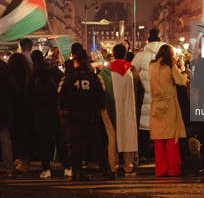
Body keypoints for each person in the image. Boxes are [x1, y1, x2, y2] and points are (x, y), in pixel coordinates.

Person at [58, 49, 114, 181]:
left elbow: (60, 96)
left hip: (73, 116)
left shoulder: (69, 78)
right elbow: (102, 95)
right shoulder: (94, 78)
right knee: (97, 144)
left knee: (74, 144)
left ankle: (76, 172)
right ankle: (106, 171)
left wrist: (64, 109)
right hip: (90, 115)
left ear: (76, 63)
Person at [26, 50, 71, 179]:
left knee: (44, 143)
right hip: (55, 109)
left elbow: (28, 94)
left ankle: (46, 170)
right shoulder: (53, 70)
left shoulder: (32, 74)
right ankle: (67, 168)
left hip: (39, 111)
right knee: (60, 140)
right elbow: (64, 82)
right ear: (43, 58)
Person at [149, 44, 187, 177]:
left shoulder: (151, 65)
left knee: (158, 139)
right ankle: (173, 169)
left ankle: (160, 170)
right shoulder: (171, 66)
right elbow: (180, 81)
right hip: (169, 103)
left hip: (155, 104)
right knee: (172, 138)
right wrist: (185, 74)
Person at [99, 44, 138, 176]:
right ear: (125, 55)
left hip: (109, 108)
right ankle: (128, 166)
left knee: (112, 136)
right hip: (127, 107)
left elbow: (101, 90)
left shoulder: (105, 72)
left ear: (113, 55)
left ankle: (113, 166)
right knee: (128, 132)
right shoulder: (132, 70)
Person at [131, 29, 165, 161]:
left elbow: (132, 73)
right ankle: (160, 155)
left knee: (144, 125)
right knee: (162, 127)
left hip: (145, 95)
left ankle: (143, 153)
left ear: (148, 40)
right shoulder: (167, 55)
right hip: (162, 96)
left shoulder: (140, 56)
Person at [7, 53, 32, 173]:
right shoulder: (27, 75)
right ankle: (25, 159)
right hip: (27, 107)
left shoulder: (11, 76)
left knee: (18, 135)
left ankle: (22, 160)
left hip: (16, 107)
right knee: (24, 134)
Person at [0, 57, 23, 177]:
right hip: (2, 109)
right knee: (5, 141)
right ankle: (10, 169)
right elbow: (14, 89)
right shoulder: (4, 68)